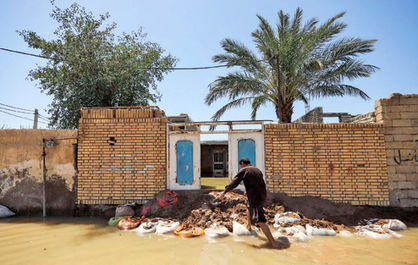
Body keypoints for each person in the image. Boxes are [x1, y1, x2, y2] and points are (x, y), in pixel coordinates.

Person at [219, 157, 280, 248]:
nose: (241, 167)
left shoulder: (244, 170)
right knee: (248, 206)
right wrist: (248, 192)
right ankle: (248, 226)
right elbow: (259, 183)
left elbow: (234, 182)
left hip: (255, 198)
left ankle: (273, 243)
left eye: (241, 165)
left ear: (242, 163)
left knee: (260, 221)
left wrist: (224, 192)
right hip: (261, 195)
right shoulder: (257, 170)